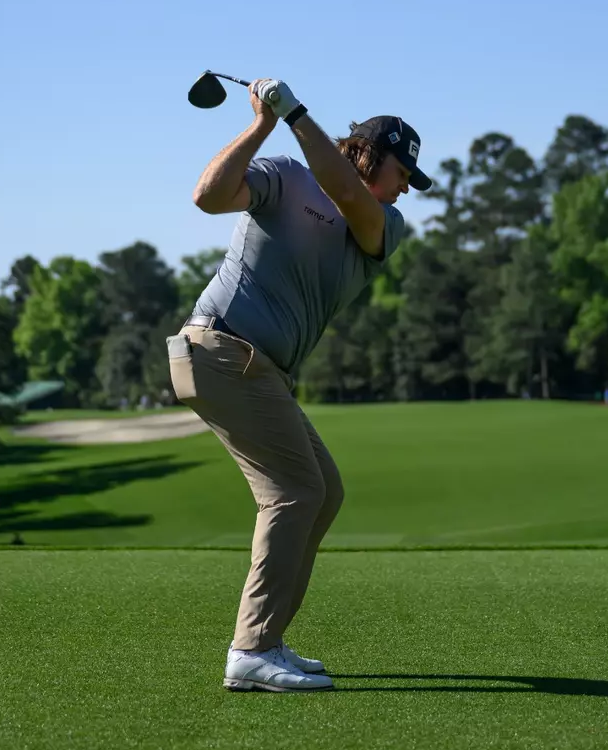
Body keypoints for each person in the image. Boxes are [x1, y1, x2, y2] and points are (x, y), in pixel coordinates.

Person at [169, 78, 425, 694]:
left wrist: (296, 114)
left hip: (259, 369)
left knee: (323, 490)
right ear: (371, 153)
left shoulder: (381, 227)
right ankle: (250, 649)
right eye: (401, 174)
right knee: (293, 491)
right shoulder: (285, 173)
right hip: (220, 349)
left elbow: (345, 191)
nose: (402, 191)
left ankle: (269, 638)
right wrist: (261, 124)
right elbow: (207, 197)